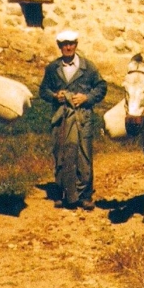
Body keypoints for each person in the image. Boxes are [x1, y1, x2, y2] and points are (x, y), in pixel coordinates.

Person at [39, 29, 107, 210]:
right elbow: (42, 91)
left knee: (83, 154)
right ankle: (63, 193)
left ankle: (84, 195)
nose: (68, 47)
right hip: (60, 118)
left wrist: (87, 98)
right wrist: (55, 96)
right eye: (64, 45)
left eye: (71, 44)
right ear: (59, 47)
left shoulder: (88, 67)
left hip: (83, 117)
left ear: (76, 45)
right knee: (61, 152)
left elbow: (101, 87)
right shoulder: (53, 68)